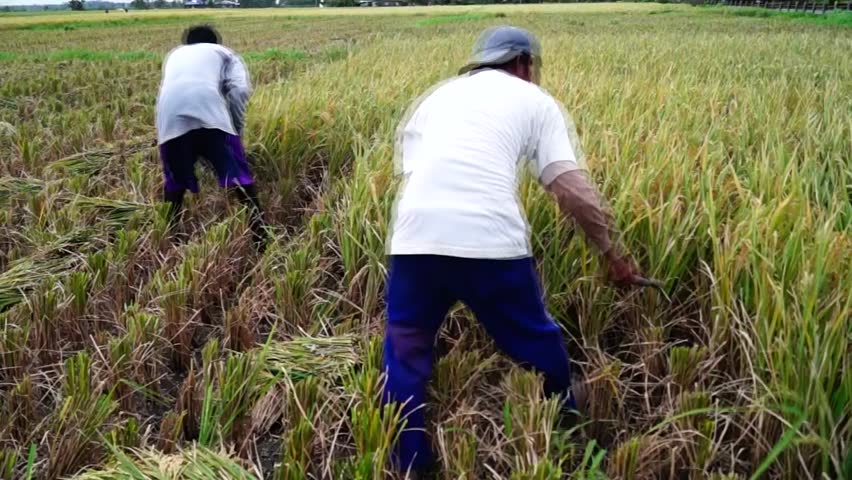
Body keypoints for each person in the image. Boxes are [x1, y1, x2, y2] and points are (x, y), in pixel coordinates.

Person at [382, 25, 656, 477]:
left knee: (405, 351)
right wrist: (613, 255)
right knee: (536, 339)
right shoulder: (535, 101)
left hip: (414, 240)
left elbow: (415, 172)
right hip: (490, 242)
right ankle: (568, 428)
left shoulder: (435, 98)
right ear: (524, 63)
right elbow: (572, 191)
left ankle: (409, 463)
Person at [155, 24, 265, 244]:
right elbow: (239, 90)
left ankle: (169, 239)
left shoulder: (174, 55)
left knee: (174, 182)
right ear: (216, 42)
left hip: (169, 117)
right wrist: (235, 129)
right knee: (240, 178)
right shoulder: (225, 53)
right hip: (210, 113)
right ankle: (261, 238)